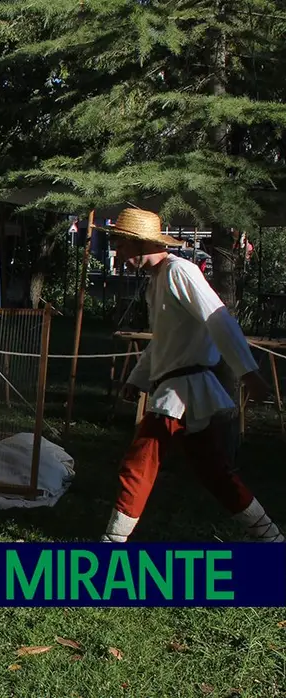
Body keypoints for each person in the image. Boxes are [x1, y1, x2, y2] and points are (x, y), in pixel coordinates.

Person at [104, 208, 282, 543]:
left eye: (123, 246)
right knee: (215, 472)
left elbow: (218, 319)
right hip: (179, 390)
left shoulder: (179, 272)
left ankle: (111, 545)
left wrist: (249, 372)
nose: (121, 255)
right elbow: (165, 341)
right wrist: (137, 379)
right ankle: (271, 538)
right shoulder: (157, 282)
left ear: (139, 243)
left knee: (138, 465)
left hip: (181, 393)